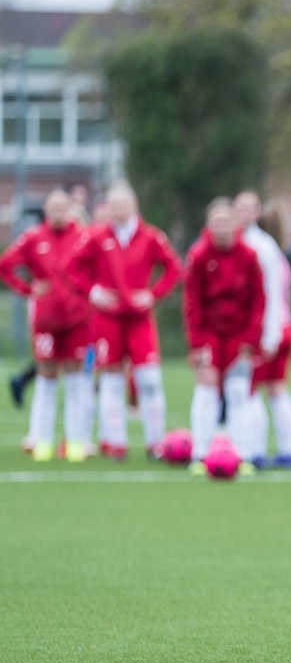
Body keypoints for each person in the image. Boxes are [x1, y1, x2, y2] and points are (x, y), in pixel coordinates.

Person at [69, 183, 183, 461]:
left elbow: (174, 269)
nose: (119, 210)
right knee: (111, 379)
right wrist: (93, 291)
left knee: (149, 379)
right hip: (108, 319)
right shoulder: (97, 237)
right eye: (114, 205)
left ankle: (156, 443)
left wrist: (152, 295)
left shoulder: (151, 236)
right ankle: (115, 442)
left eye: (124, 204)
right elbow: (73, 268)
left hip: (140, 319)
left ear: (134, 205)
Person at [0, 190, 93, 461]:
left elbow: (102, 268)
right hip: (46, 321)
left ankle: (76, 440)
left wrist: (89, 292)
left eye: (63, 208)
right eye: (53, 208)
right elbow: (5, 265)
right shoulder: (33, 238)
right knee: (46, 378)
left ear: (71, 210)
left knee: (77, 380)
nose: (58, 213)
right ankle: (42, 440)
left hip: (78, 319)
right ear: (46, 210)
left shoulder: (84, 237)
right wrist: (28, 289)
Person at [182, 198, 265, 473]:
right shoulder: (198, 255)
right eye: (216, 222)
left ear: (236, 224)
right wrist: (197, 343)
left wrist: (251, 340)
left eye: (226, 222)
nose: (221, 228)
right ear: (209, 226)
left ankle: (243, 454)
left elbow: (258, 301)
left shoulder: (249, 256)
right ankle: (200, 454)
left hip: (239, 335)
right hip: (209, 334)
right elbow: (192, 302)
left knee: (239, 392)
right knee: (206, 390)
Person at [234, 191, 291, 468]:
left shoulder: (259, 247)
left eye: (250, 208)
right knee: (275, 390)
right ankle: (285, 451)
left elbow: (269, 295)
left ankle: (256, 451)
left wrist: (268, 334)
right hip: (277, 326)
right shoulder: (266, 245)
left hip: (268, 330)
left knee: (253, 390)